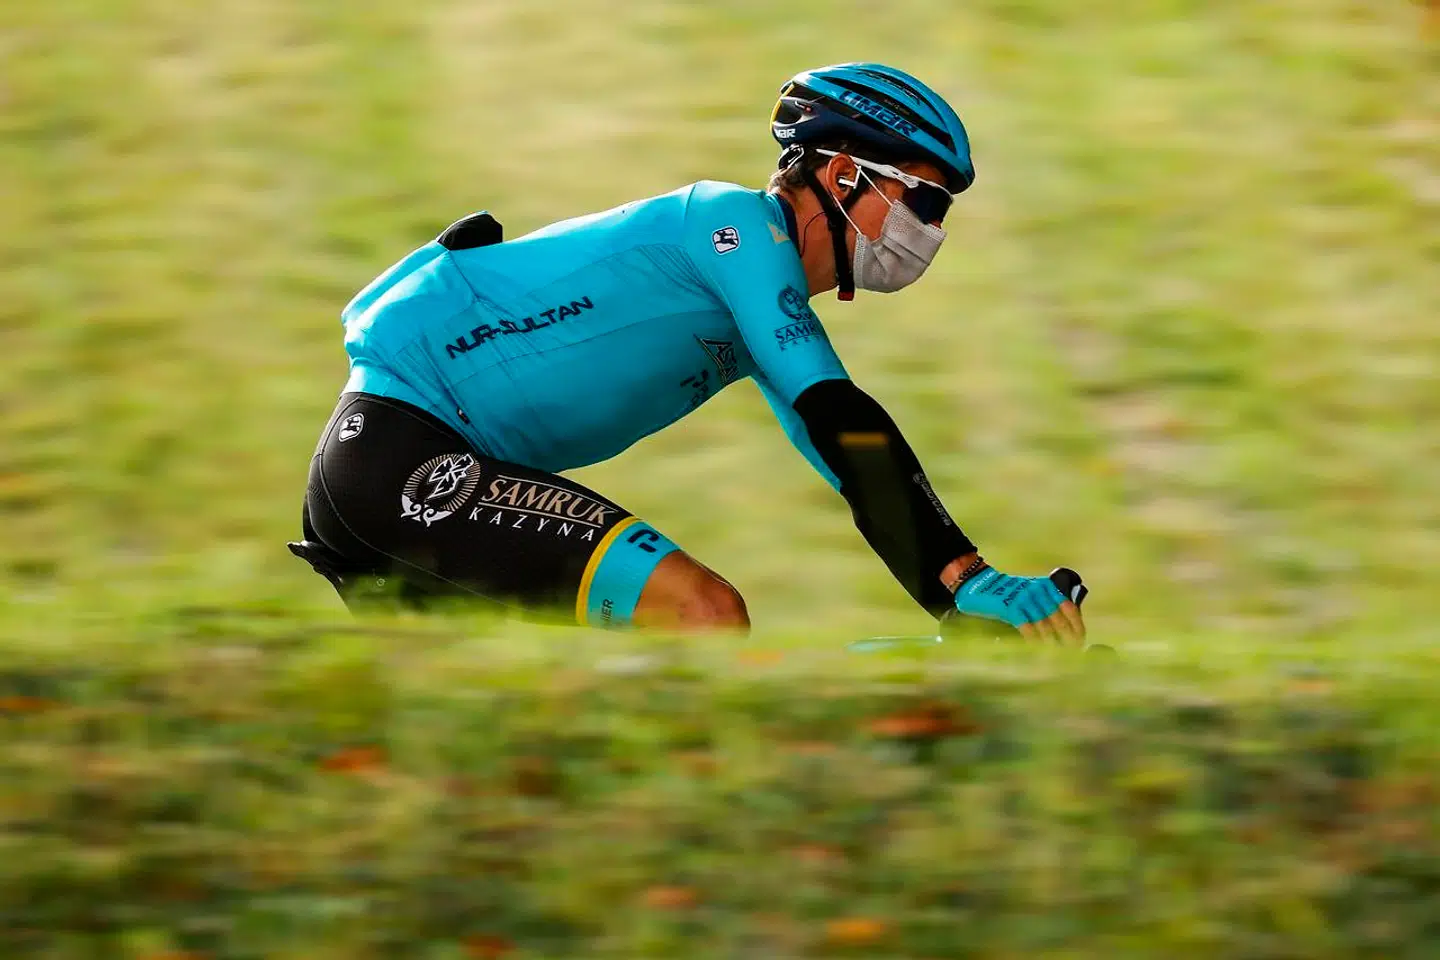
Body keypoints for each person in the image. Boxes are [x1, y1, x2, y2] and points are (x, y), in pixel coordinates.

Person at [288, 62, 1087, 645]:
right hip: (401, 457)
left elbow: (854, 463)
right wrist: (970, 582)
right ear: (844, 174)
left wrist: (953, 601)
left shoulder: (754, 313)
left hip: (394, 473)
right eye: (926, 199)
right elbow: (840, 413)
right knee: (702, 615)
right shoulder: (730, 228)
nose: (934, 230)